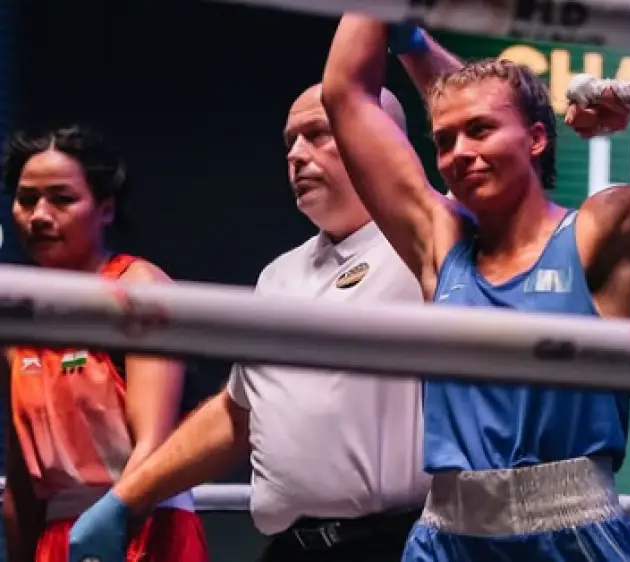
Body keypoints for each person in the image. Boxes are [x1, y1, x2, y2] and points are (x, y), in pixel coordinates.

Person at [321, 16, 630, 562]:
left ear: (536, 138)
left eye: (479, 131)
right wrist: (403, 32)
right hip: (445, 541)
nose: (458, 152)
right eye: (443, 141)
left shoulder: (598, 233)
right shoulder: (440, 241)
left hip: (573, 538)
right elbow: (345, 95)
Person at [66, 84, 431, 562]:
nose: (295, 155)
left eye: (317, 134)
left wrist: (413, 49)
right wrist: (127, 499)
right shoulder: (279, 275)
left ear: (380, 138)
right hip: (290, 549)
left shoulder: (427, 242)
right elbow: (239, 412)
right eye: (290, 141)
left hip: (394, 546)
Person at [0, 125, 209, 562]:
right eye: (27, 199)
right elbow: (23, 480)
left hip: (148, 527)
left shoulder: (138, 288)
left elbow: (153, 447)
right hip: (55, 540)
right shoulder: (18, 317)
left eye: (61, 199)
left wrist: (110, 533)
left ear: (106, 209)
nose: (39, 216)